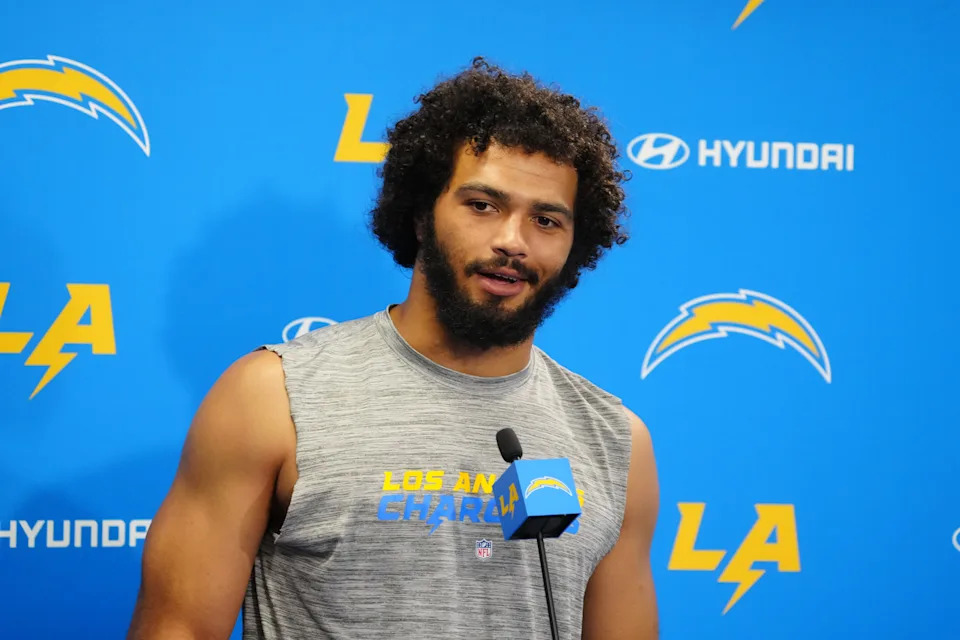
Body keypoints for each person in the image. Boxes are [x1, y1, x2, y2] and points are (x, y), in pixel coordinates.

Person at [126, 56, 659, 640]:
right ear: (421, 214)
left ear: (577, 245)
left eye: (547, 220)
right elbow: (175, 628)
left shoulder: (616, 440)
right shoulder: (272, 395)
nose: (513, 241)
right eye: (482, 206)